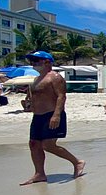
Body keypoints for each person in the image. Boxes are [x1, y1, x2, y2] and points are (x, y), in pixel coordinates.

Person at [20, 51, 85, 185]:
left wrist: (56, 115)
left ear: (47, 62)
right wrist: (29, 104)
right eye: (32, 61)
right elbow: (35, 97)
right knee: (34, 144)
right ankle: (39, 174)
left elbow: (61, 96)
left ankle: (77, 162)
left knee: (48, 145)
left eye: (36, 60)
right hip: (37, 116)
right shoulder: (36, 79)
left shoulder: (55, 77)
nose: (33, 63)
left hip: (52, 114)